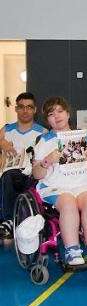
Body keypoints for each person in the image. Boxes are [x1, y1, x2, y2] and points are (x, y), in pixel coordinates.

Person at [32, 97, 87, 265]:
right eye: (51, 114)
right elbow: (36, 174)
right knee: (68, 203)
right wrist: (47, 160)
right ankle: (72, 250)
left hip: (80, 183)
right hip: (55, 187)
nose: (56, 116)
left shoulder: (80, 137)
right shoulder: (44, 141)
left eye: (60, 111)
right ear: (47, 120)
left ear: (67, 113)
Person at [0, 92, 46, 239]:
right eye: (21, 107)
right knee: (8, 176)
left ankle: (31, 220)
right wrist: (2, 143)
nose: (25, 111)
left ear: (35, 110)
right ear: (16, 109)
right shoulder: (6, 131)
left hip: (32, 175)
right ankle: (8, 220)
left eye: (29, 107)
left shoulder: (43, 132)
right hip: (10, 175)